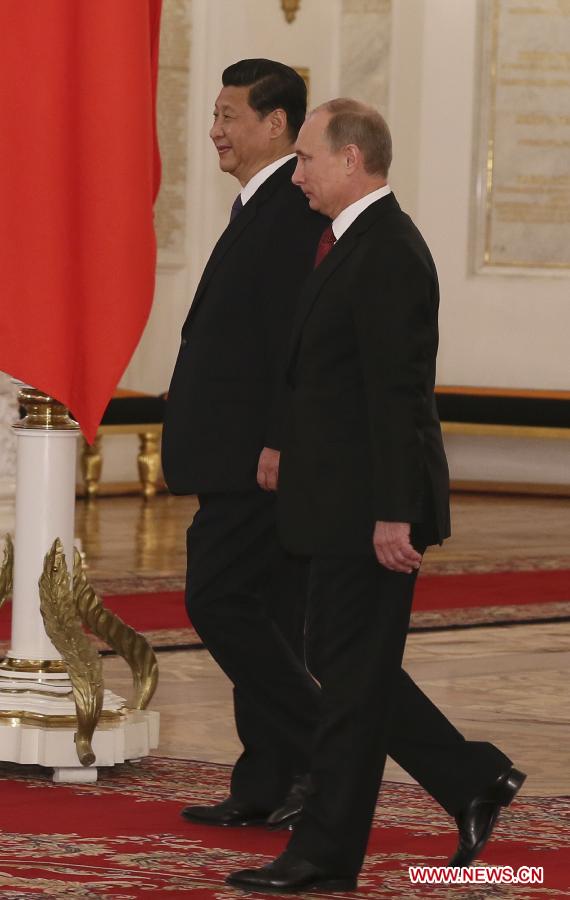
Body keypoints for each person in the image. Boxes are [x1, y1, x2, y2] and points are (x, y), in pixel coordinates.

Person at [227, 99, 525, 892]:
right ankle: (470, 778)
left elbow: (398, 396)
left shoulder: (388, 249)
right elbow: (329, 371)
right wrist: (283, 442)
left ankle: (325, 856)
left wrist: (396, 512)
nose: (298, 175)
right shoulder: (349, 242)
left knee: (351, 689)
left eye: (308, 160)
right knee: (345, 668)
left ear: (352, 159)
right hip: (338, 500)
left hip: (371, 507)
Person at [161, 59, 326, 827]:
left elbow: (295, 346)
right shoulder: (258, 207)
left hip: (256, 461)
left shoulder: (290, 212)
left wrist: (277, 441)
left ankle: (321, 744)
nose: (216, 130)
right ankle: (272, 781)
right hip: (241, 455)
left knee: (218, 599)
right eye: (216, 113)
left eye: (230, 116)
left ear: (277, 126)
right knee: (265, 611)